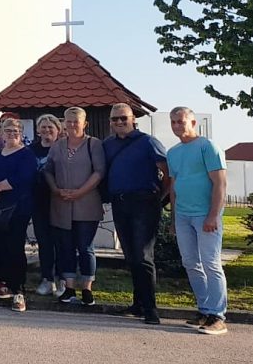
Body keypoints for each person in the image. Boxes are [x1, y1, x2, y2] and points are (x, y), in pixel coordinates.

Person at [103, 103, 169, 325]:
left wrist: (159, 198)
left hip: (144, 202)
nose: (119, 122)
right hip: (120, 203)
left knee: (143, 256)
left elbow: (167, 173)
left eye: (123, 118)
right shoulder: (108, 144)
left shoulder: (148, 142)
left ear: (133, 119)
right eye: (114, 119)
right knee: (131, 256)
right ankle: (138, 303)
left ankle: (151, 309)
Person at [167, 106, 229, 335]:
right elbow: (173, 187)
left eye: (180, 121)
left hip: (205, 214)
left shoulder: (207, 147)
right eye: (173, 122)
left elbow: (220, 183)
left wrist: (213, 214)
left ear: (193, 122)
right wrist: (173, 219)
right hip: (183, 215)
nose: (176, 126)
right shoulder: (173, 152)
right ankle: (204, 309)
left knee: (211, 263)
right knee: (190, 262)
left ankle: (218, 315)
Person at [43, 107, 106, 306]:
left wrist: (80, 192)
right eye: (68, 121)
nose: (72, 125)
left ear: (84, 123)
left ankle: (87, 288)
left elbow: (99, 172)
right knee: (65, 247)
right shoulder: (58, 145)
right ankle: (69, 287)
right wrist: (55, 189)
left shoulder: (93, 144)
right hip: (61, 204)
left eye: (75, 121)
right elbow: (48, 171)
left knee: (85, 247)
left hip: (86, 204)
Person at [0, 119, 37, 312]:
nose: (11, 133)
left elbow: (24, 178)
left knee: (14, 247)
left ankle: (17, 290)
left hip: (18, 208)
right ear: (1, 133)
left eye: (15, 130)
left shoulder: (26, 155)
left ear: (21, 133)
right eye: (7, 130)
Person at [30, 113, 64, 298]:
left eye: (50, 127)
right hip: (39, 201)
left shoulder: (63, 148)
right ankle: (47, 279)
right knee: (44, 241)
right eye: (43, 127)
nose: (46, 130)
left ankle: (62, 279)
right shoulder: (31, 150)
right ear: (37, 130)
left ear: (58, 130)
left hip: (60, 200)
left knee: (61, 241)